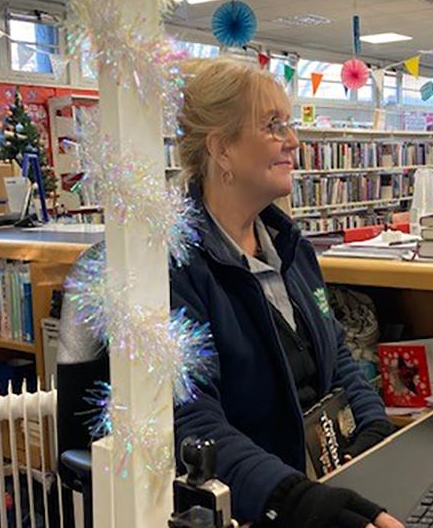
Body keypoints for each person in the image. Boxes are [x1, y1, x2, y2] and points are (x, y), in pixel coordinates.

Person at [171, 57, 403, 528]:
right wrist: (298, 499)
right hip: (265, 508)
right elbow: (194, 424)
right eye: (273, 126)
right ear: (222, 150)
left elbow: (337, 354)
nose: (294, 142)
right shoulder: (176, 270)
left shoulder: (293, 249)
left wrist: (374, 431)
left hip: (325, 487)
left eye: (288, 124)